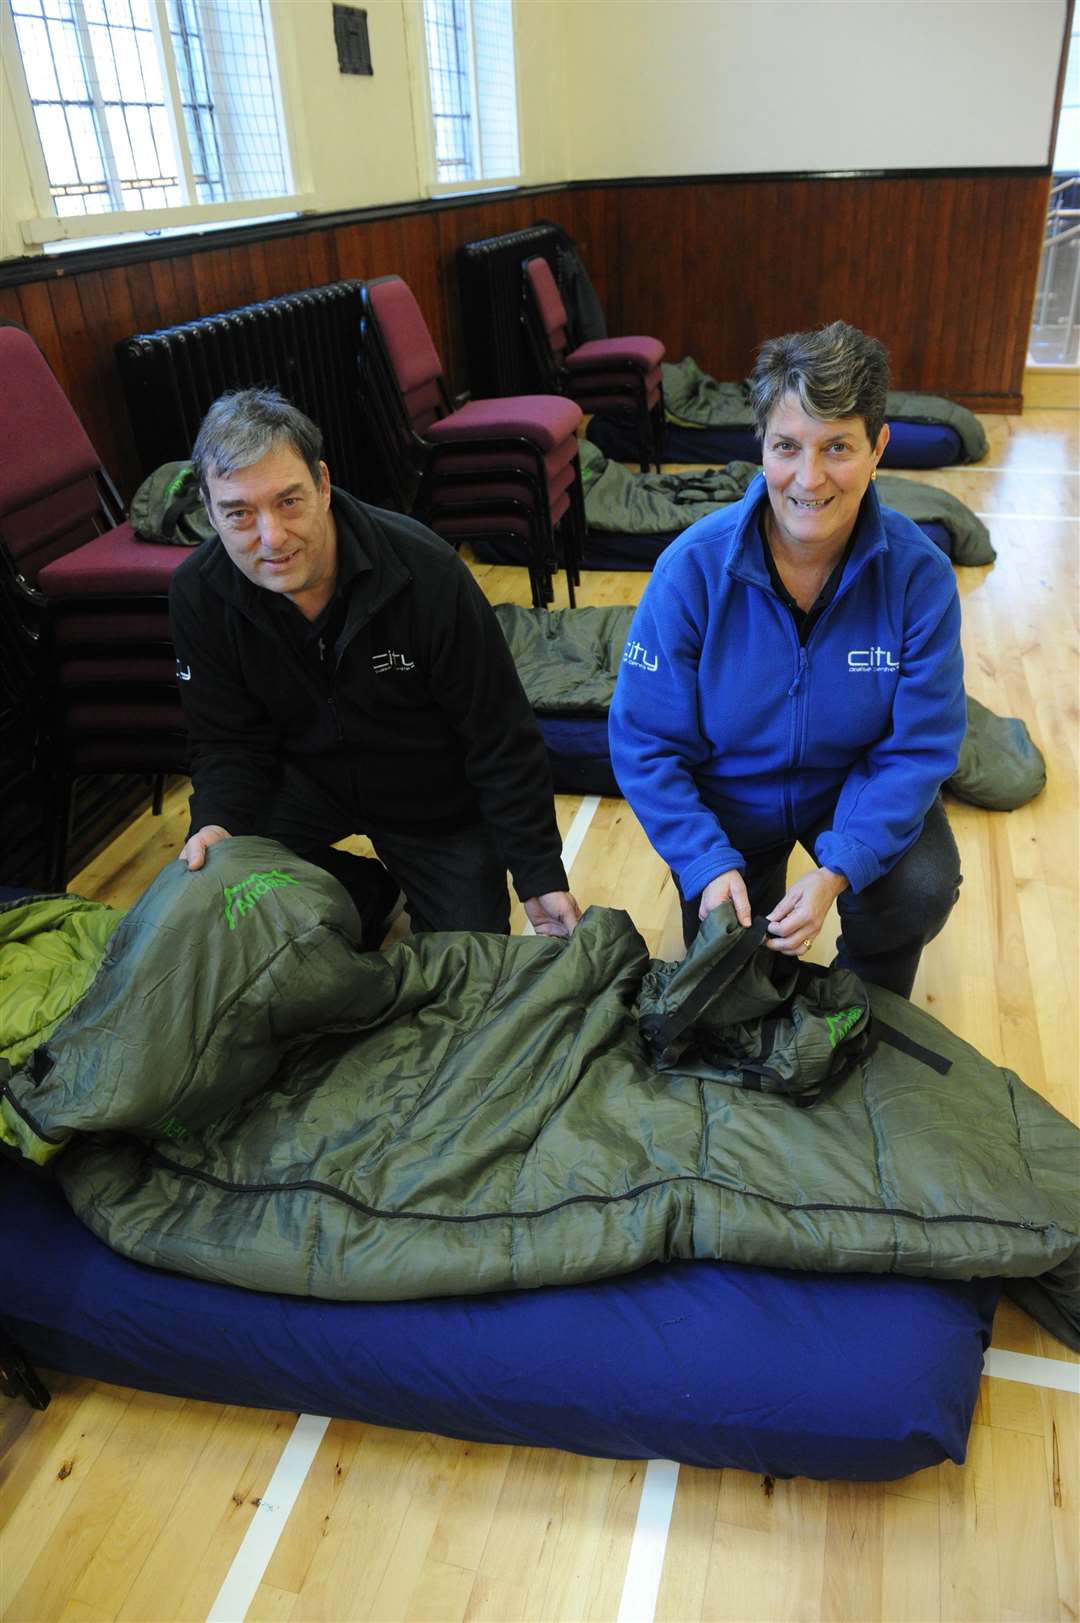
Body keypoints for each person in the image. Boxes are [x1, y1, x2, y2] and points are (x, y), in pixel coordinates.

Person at [608, 321, 965, 998]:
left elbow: (920, 749)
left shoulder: (921, 578)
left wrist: (839, 870)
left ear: (878, 447)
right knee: (728, 968)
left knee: (919, 883)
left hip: (849, 787)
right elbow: (644, 743)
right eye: (787, 447)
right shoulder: (689, 571)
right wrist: (706, 861)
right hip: (732, 795)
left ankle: (866, 994)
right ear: (762, 447)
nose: (809, 479)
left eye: (838, 448)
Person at [169, 388, 581, 943]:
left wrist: (537, 872)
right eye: (239, 513)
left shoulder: (426, 569)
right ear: (210, 511)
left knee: (469, 954)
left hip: (431, 795)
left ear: (322, 483)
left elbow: (499, 733)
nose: (270, 538)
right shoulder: (198, 591)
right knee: (225, 889)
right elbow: (225, 742)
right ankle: (364, 890)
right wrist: (217, 826)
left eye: (288, 501)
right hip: (306, 782)